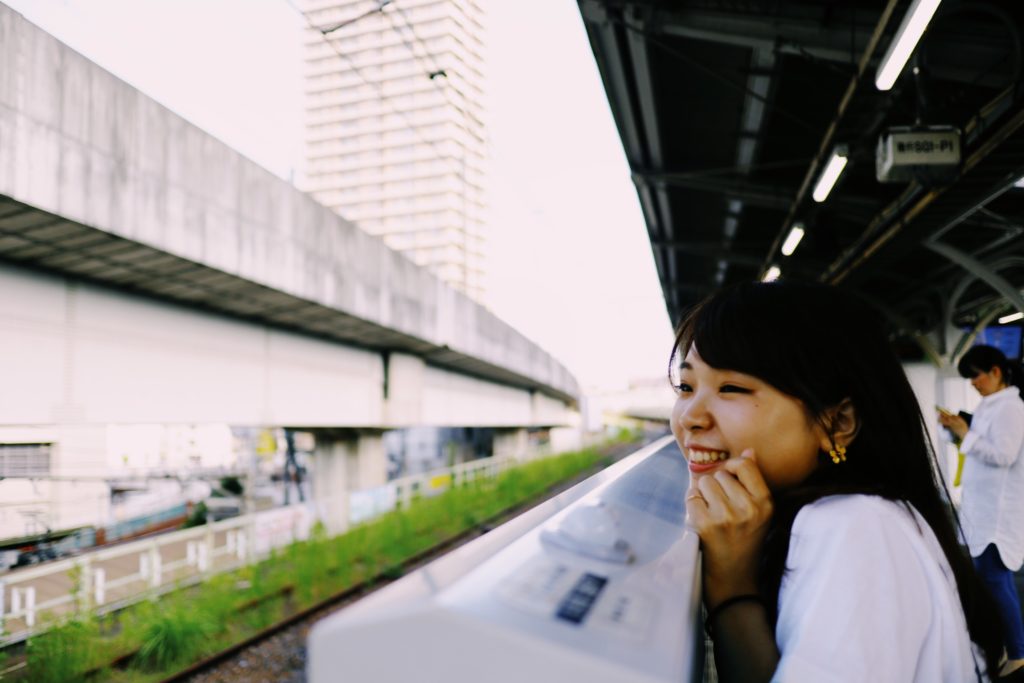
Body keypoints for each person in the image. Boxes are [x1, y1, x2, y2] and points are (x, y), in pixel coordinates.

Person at [672, 281, 1004, 682]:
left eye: (731, 388)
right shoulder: (854, 516)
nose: (690, 415)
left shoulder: (853, 525)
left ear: (837, 423)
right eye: (686, 387)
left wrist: (731, 588)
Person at [939, 344, 1024, 678]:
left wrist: (966, 433)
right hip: (984, 510)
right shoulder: (991, 405)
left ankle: (1017, 652)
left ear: (996, 372)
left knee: (995, 578)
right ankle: (1008, 645)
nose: (973, 383)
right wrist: (958, 430)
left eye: (975, 376)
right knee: (989, 580)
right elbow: (980, 447)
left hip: (998, 514)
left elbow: (1004, 454)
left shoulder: (1011, 408)